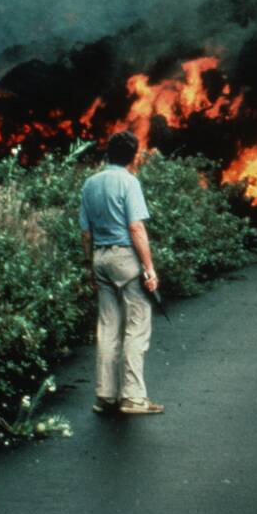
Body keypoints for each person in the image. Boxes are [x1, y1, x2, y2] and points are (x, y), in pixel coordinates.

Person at [79, 130, 164, 415]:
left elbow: (85, 232)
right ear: (132, 157)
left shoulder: (90, 184)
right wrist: (149, 269)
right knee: (136, 326)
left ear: (107, 153)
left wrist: (90, 265)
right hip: (126, 257)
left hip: (100, 257)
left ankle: (105, 396)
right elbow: (136, 228)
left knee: (107, 328)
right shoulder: (129, 182)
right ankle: (133, 397)